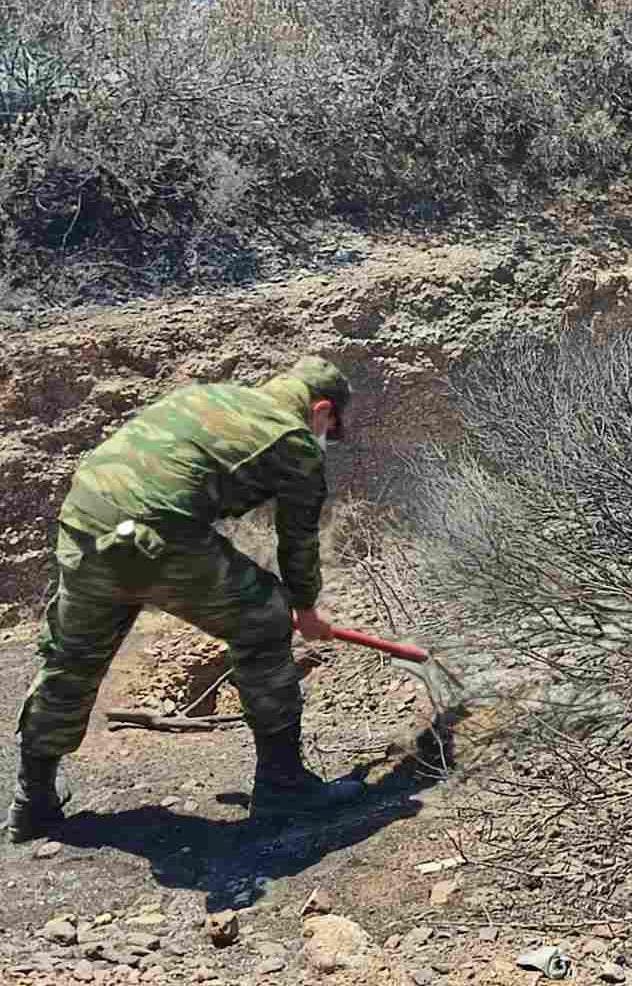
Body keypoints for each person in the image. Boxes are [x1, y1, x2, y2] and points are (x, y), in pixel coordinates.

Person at [7, 355, 366, 842]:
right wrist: (303, 609)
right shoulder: (294, 439)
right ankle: (285, 786)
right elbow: (297, 539)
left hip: (84, 520)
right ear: (321, 409)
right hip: (155, 535)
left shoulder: (208, 395)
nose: (328, 437)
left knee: (73, 657)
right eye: (332, 427)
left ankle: (34, 802)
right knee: (264, 617)